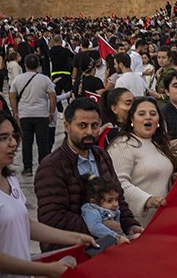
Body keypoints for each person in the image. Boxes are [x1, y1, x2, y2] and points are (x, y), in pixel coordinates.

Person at [0, 109, 90, 278]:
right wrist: (47, 270)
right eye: (3, 138)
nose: (13, 144)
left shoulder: (9, 178)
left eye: (14, 136)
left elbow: (25, 224)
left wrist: (75, 238)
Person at [34, 97, 142, 247]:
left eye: (95, 125)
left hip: (107, 247)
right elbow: (53, 218)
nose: (89, 132)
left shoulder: (102, 156)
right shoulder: (52, 166)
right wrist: (101, 227)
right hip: (69, 250)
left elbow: (118, 198)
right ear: (67, 126)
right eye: (82, 126)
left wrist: (130, 225)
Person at [107, 97, 177, 228]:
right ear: (132, 120)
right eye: (141, 114)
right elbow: (118, 182)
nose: (148, 117)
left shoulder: (157, 144)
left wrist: (172, 179)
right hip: (136, 225)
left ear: (158, 121)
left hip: (163, 220)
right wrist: (147, 200)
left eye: (153, 114)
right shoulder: (123, 144)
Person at [8, 54, 56, 178]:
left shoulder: (18, 79)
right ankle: (44, 167)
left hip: (25, 114)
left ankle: (27, 167)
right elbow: (52, 96)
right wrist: (51, 111)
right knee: (43, 142)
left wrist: (15, 111)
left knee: (27, 142)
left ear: (25, 65)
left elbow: (12, 96)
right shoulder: (44, 79)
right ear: (38, 65)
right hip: (41, 114)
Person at [80, 175, 131, 246]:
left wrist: (126, 237)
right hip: (99, 245)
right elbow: (94, 227)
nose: (115, 204)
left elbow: (118, 229)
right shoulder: (91, 209)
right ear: (94, 201)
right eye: (110, 201)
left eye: (116, 199)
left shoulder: (114, 210)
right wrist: (116, 237)